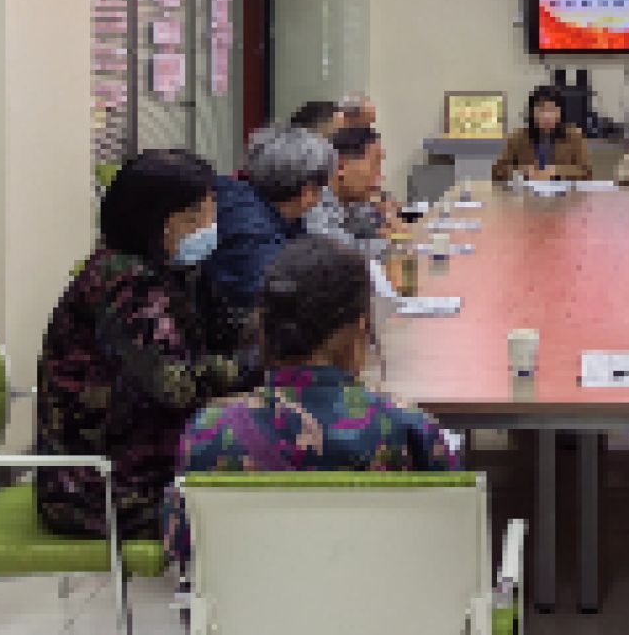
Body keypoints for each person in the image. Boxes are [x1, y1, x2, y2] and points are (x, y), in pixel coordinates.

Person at [164, 236, 460, 562]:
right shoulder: (409, 429)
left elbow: (181, 547)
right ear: (360, 328)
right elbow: (448, 543)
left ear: (263, 328)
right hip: (381, 607)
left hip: (254, 611)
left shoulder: (209, 432)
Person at [36, 150, 254, 540]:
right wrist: (254, 365)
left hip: (129, 464)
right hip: (97, 488)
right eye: (199, 216)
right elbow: (177, 384)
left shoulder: (162, 270)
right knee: (258, 493)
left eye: (211, 211)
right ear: (163, 224)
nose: (211, 226)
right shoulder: (125, 284)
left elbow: (216, 336)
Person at [204, 126, 336, 318]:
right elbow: (279, 304)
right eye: (321, 188)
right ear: (308, 191)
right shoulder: (251, 231)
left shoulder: (250, 198)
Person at [305, 126, 390, 258]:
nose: (381, 176)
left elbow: (371, 230)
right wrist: (392, 243)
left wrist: (386, 219)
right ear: (340, 167)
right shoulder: (314, 203)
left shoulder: (350, 200)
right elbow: (344, 255)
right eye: (375, 163)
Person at [492, 84, 592, 181]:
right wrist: (522, 171)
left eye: (552, 110)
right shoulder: (519, 137)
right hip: (526, 194)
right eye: (541, 110)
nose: (546, 116)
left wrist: (557, 171)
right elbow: (498, 171)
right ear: (532, 112)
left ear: (560, 112)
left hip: (564, 195)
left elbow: (585, 172)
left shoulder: (574, 137)